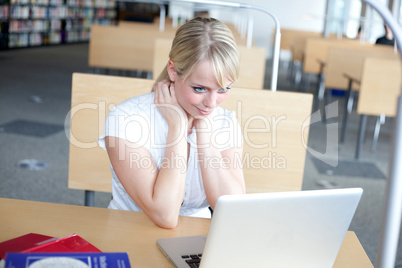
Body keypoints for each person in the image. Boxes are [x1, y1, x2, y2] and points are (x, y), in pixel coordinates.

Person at [98, 17, 245, 229]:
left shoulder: (225, 122)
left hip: (198, 239)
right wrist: (177, 128)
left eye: (223, 89)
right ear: (173, 71)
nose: (212, 103)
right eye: (199, 89)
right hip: (129, 232)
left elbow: (233, 210)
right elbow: (165, 215)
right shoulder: (126, 119)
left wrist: (203, 129)